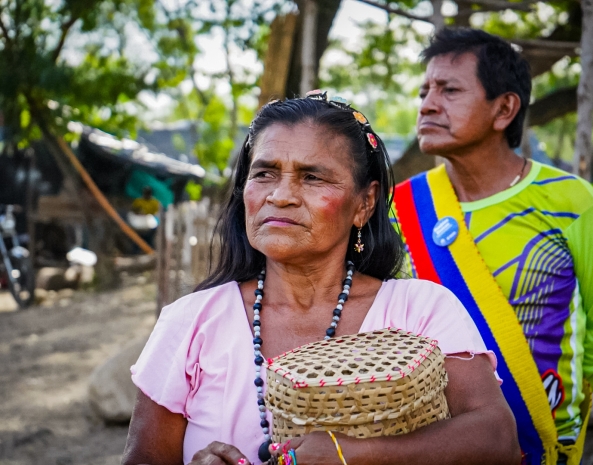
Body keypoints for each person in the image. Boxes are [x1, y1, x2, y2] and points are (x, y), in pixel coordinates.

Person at [122, 93, 520, 465]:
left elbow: (497, 440)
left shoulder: (421, 311)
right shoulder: (190, 323)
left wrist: (350, 454)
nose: (281, 195)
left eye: (312, 177)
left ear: (364, 203)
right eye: (264, 173)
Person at [391, 28, 593, 465]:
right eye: (424, 91)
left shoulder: (573, 203)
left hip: (540, 438)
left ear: (504, 109)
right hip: (428, 442)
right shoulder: (400, 207)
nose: (427, 104)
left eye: (449, 90)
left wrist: (548, 399)